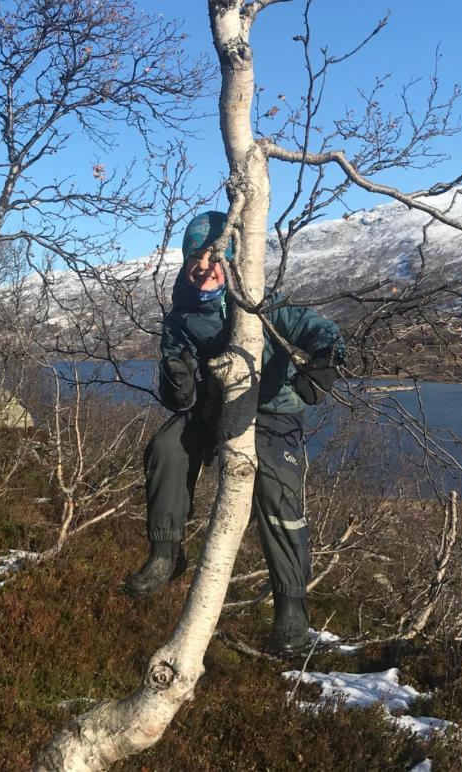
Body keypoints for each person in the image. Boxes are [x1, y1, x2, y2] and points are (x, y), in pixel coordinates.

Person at [124, 211, 345, 657]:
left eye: (213, 258)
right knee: (167, 447)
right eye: (195, 261)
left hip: (270, 413)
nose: (204, 268)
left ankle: (291, 609)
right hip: (212, 411)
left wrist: (326, 361)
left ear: (230, 262)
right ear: (185, 264)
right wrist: (177, 381)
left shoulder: (263, 302)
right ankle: (166, 553)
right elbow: (175, 393)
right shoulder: (180, 318)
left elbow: (319, 329)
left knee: (275, 489)